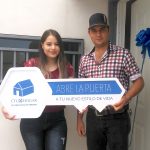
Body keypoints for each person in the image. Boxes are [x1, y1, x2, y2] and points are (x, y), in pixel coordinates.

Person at [77, 13, 144, 150]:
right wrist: (79, 119)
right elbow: (81, 91)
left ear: (108, 30)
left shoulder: (123, 54)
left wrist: (125, 98)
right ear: (89, 33)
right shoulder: (84, 60)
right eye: (94, 30)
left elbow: (139, 81)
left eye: (102, 29)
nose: (98, 34)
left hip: (117, 117)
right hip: (93, 117)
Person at [2, 29, 74, 150]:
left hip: (57, 120)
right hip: (31, 121)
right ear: (42, 45)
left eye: (57, 44)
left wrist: (82, 101)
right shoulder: (31, 64)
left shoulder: (67, 67)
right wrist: (7, 106)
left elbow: (75, 92)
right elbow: (13, 85)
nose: (53, 47)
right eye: (49, 44)